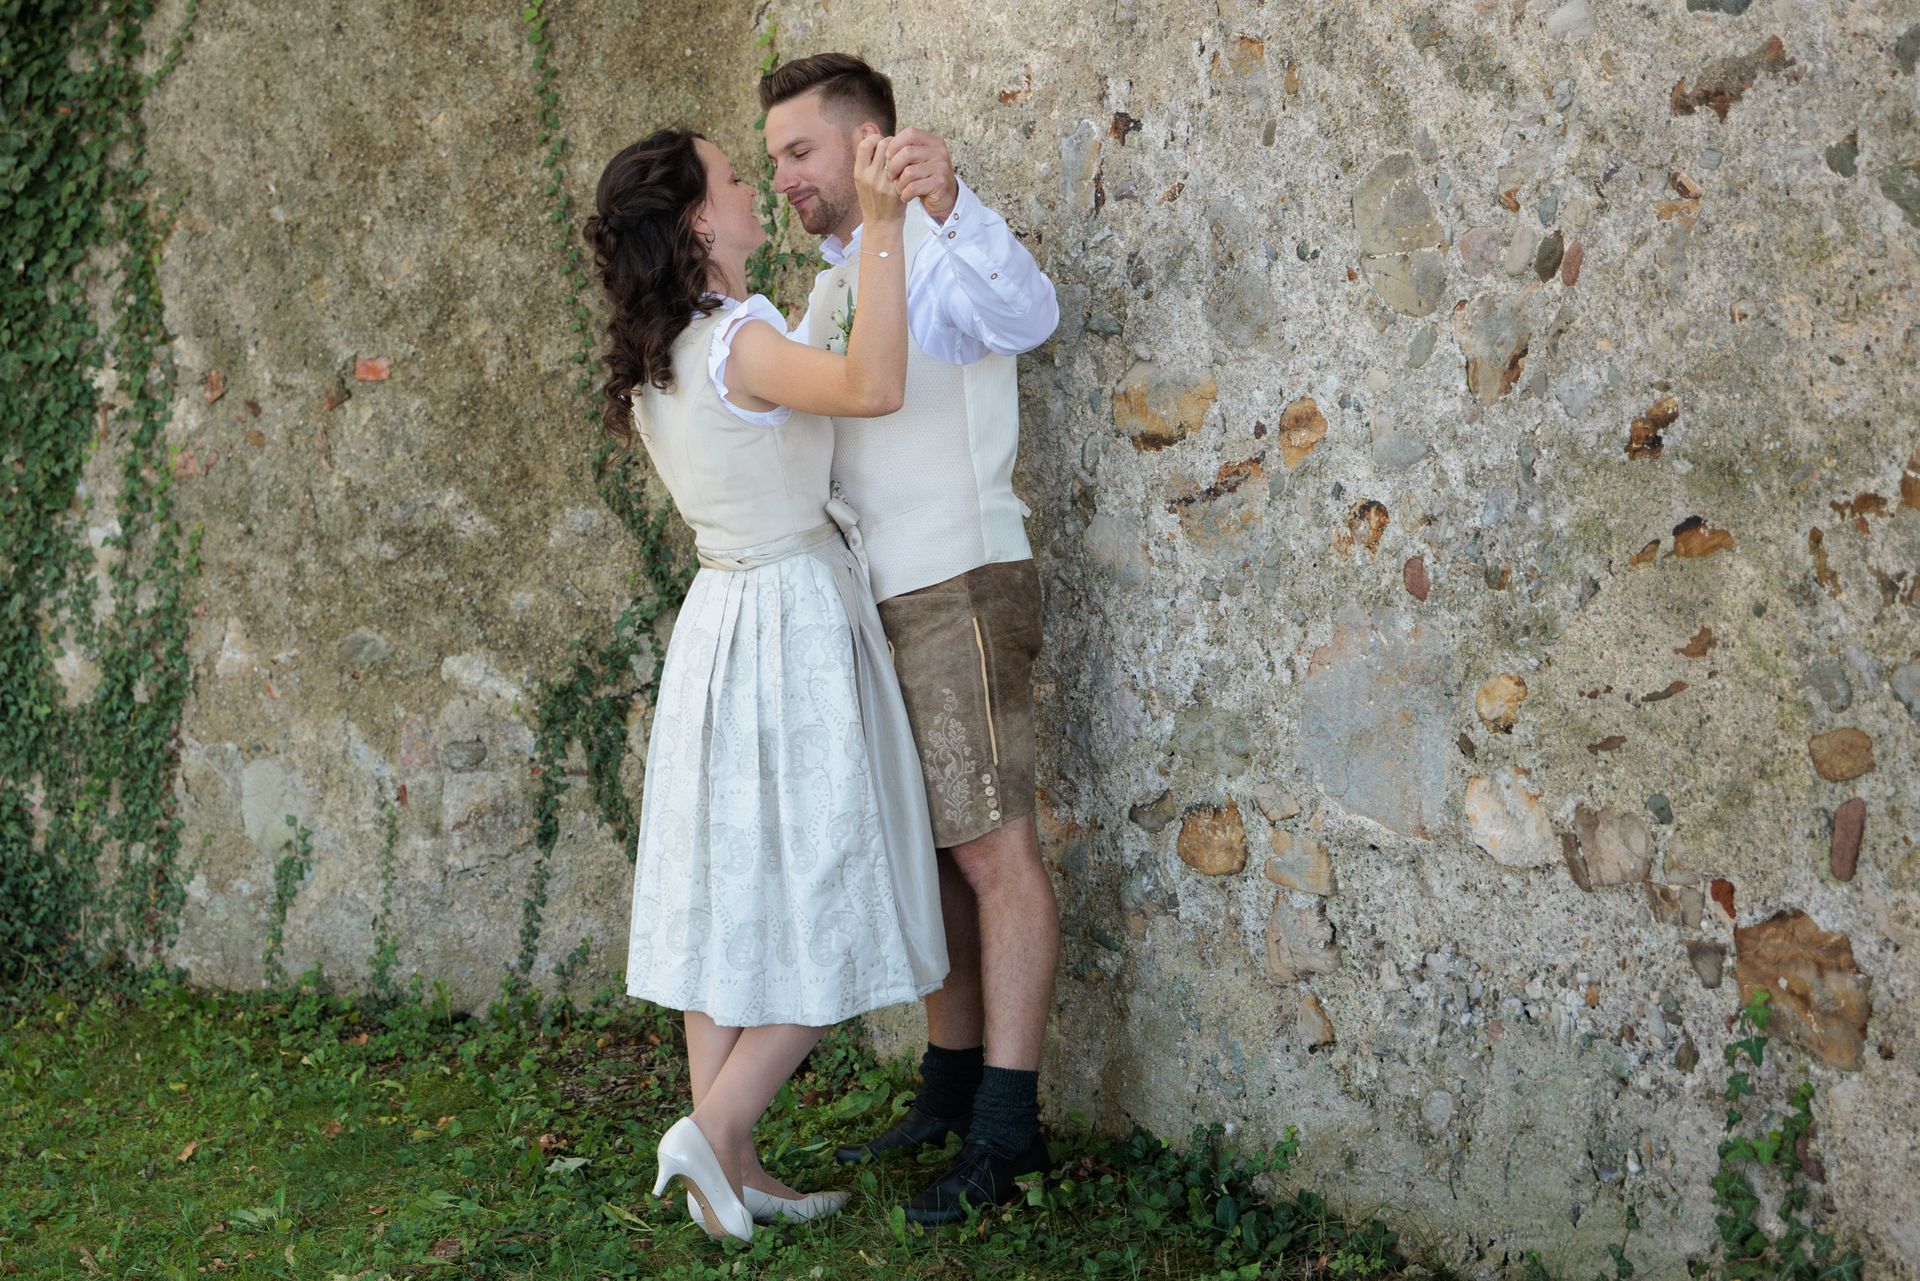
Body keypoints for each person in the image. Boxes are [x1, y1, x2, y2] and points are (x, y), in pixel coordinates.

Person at [584, 125, 943, 1244]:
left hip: (718, 620)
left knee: (725, 891)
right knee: (840, 872)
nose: (754, 188)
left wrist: (825, 299)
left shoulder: (666, 352)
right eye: (735, 179)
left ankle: (726, 1164)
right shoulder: (737, 342)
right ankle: (714, 1123)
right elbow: (874, 387)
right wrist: (882, 228)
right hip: (786, 614)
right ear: (699, 220)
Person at [760, 53, 1064, 1226]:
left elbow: (1027, 315)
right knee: (933, 855)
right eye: (775, 157)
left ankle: (1010, 1126)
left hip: (961, 583)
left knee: (994, 852)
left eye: (801, 151)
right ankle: (946, 1089)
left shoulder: (935, 244)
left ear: (866, 142)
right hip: (879, 600)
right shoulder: (838, 280)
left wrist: (947, 202)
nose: (786, 175)